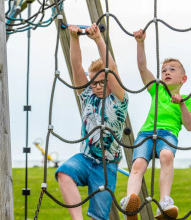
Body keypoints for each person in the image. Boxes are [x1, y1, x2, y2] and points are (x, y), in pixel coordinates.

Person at [55, 23, 128, 220]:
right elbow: (76, 67)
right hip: (85, 158)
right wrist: (75, 38)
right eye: (93, 82)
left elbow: (111, 68)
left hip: (107, 165)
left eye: (102, 82)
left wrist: (98, 39)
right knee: (63, 173)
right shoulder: (87, 96)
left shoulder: (119, 101)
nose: (96, 86)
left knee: (98, 216)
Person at [120, 29, 191, 220]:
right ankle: (130, 201)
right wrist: (140, 43)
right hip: (146, 133)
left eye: (172, 69)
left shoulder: (186, 98)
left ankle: (164, 203)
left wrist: (182, 104)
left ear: (183, 78)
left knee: (167, 155)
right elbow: (143, 68)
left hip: (168, 134)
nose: (167, 72)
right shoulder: (157, 89)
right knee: (138, 163)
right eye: (164, 70)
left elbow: (190, 125)